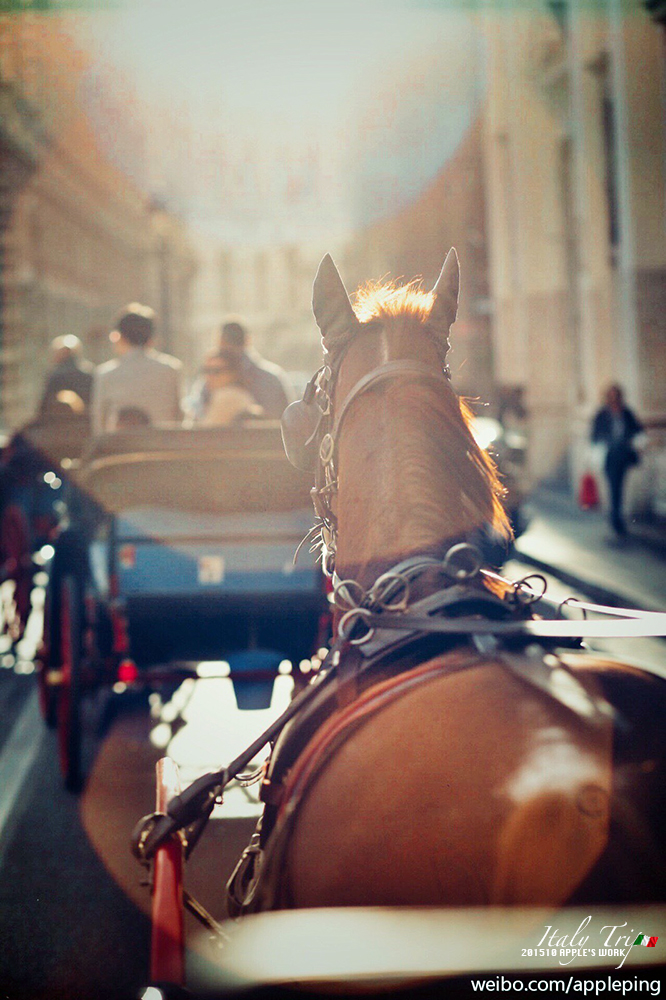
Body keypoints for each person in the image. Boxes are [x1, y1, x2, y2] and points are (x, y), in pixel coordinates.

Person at [91, 304, 182, 435]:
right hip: (162, 448)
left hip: (120, 450)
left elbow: (99, 426)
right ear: (151, 337)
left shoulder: (105, 373)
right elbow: (178, 417)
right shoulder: (171, 369)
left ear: (120, 336)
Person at [185, 319, 291, 421]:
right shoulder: (272, 376)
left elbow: (197, 412)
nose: (210, 375)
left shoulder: (221, 376)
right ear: (248, 340)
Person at [591, 384, 643, 535]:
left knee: (618, 487)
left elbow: (636, 430)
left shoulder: (626, 413)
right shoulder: (602, 414)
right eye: (611, 395)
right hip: (609, 457)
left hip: (623, 456)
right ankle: (616, 518)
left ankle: (616, 517)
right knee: (614, 487)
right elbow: (595, 434)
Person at [198, 350, 263, 426]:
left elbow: (207, 432)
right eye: (206, 370)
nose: (209, 376)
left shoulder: (227, 396)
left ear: (233, 373)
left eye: (216, 371)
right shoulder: (239, 394)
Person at [39, 335, 94, 418]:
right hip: (85, 423)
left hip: (59, 424)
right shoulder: (90, 372)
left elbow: (44, 406)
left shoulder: (55, 376)